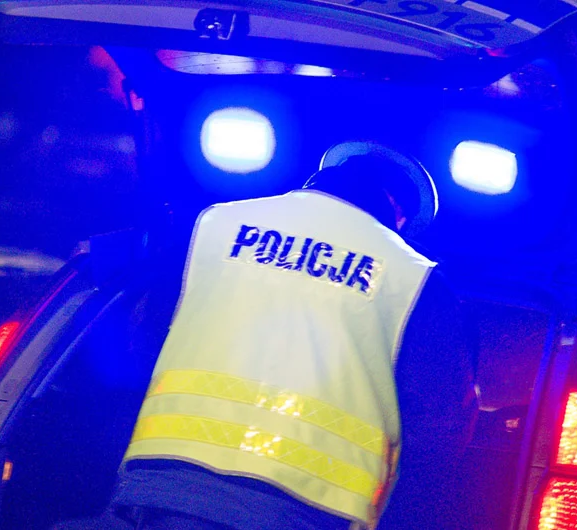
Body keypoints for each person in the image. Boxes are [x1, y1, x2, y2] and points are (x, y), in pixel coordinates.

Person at [110, 141, 478, 529]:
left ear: (322, 179)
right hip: (302, 513)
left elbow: (138, 340)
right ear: (398, 214)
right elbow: (439, 433)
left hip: (160, 492)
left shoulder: (213, 224)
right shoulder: (415, 279)